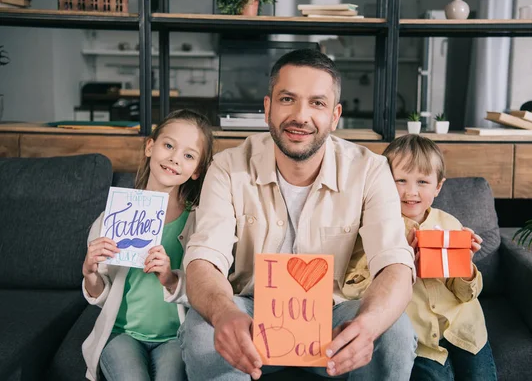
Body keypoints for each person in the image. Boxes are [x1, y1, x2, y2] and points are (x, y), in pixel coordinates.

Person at [179, 49, 418, 380]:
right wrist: (223, 314)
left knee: (396, 333)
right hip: (252, 317)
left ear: (335, 116)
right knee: (200, 330)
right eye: (287, 99)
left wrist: (368, 325)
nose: (300, 115)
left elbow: (395, 265)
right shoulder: (228, 167)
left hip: (334, 320)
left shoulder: (370, 170)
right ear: (267, 108)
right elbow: (203, 259)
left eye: (317, 103)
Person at [344, 134, 498, 381]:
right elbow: (354, 287)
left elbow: (466, 294)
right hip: (421, 339)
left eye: (423, 182)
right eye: (401, 180)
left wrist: (465, 265)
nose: (411, 192)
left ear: (438, 186)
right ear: (383, 182)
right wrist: (398, 261)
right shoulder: (377, 228)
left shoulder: (449, 224)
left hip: (466, 331)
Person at [81, 109, 214, 381]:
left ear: (196, 171)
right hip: (121, 333)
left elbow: (209, 290)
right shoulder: (111, 217)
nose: (175, 158)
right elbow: (100, 296)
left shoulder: (200, 223)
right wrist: (90, 273)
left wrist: (169, 278)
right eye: (168, 145)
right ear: (150, 147)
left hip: (175, 337)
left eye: (188, 155)